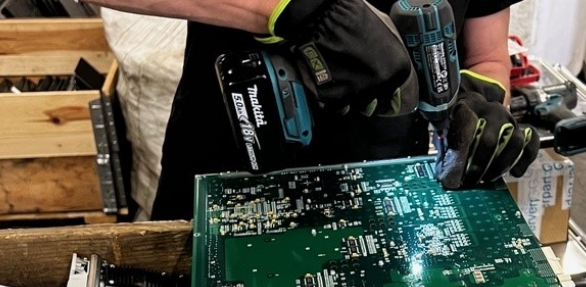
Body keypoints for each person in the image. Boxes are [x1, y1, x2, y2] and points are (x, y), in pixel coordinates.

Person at [87, 0, 540, 220]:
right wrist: (294, 9)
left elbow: (486, 56)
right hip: (230, 185)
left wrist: (482, 99)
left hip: (391, 203)